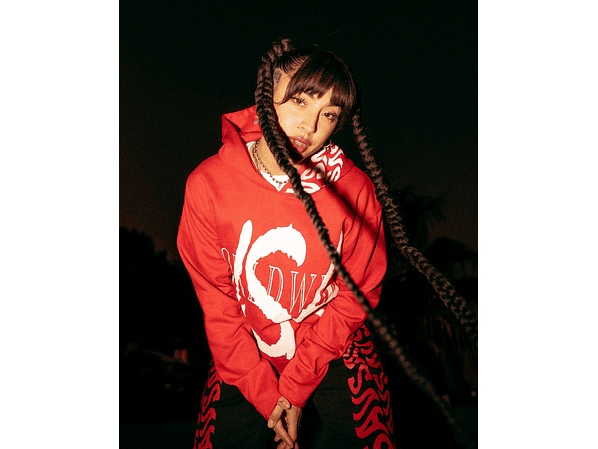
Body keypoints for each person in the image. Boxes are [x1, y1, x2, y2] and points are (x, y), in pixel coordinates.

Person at [178, 38, 396, 449]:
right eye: (299, 102)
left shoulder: (355, 191)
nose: (309, 127)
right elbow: (219, 305)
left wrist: (295, 388)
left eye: (328, 114)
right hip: (247, 347)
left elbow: (357, 294)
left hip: (333, 343)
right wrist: (267, 396)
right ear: (266, 97)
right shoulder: (208, 184)